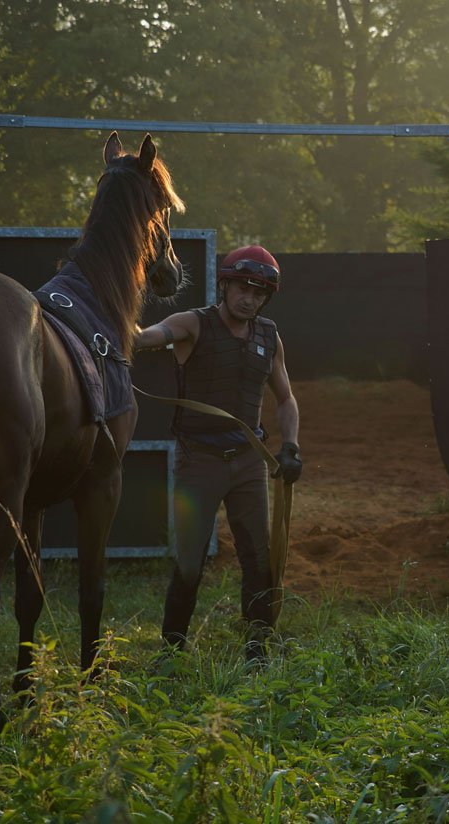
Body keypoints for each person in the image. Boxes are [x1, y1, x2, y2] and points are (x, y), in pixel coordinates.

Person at [134, 244, 302, 661]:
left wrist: (291, 447)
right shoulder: (193, 324)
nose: (250, 299)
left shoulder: (269, 336)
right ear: (224, 285)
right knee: (190, 564)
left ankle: (257, 654)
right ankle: (172, 655)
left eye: (259, 293)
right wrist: (114, 321)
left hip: (249, 462)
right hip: (199, 462)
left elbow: (285, 398)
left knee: (258, 560)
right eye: (243, 288)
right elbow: (146, 337)